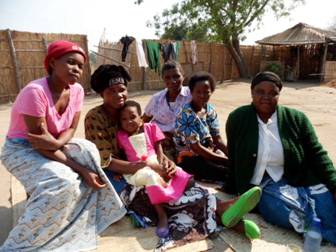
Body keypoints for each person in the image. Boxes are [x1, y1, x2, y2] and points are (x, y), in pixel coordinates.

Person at [85, 64, 262, 250]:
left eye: (122, 90)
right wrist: (146, 166)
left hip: (146, 163)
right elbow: (106, 161)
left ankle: (221, 209)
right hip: (120, 174)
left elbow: (151, 140)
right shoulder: (95, 117)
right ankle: (224, 213)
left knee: (179, 178)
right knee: (159, 191)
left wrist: (165, 161)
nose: (118, 95)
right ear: (101, 94)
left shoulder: (129, 112)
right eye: (111, 91)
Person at [0, 40, 125, 251]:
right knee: (63, 181)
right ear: (52, 62)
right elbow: (40, 144)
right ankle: (23, 243)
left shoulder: (76, 91)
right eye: (70, 62)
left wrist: (58, 142)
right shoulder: (35, 92)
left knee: (88, 151)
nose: (76, 69)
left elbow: (71, 128)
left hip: (55, 143)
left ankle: (71, 221)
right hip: (22, 148)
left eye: (80, 65)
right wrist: (82, 171)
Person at [225, 71, 336, 245]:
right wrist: (233, 184)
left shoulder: (297, 119)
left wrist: (334, 184)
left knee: (327, 207)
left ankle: (325, 230)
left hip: (297, 177)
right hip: (261, 184)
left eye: (273, 93)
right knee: (278, 208)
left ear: (279, 94)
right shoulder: (238, 118)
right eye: (260, 92)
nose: (266, 97)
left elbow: (317, 153)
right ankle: (315, 231)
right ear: (252, 92)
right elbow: (233, 153)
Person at [117, 100, 192, 237]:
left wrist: (163, 161)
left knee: (178, 172)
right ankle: (162, 215)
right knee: (150, 176)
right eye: (124, 119)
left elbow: (159, 149)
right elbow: (122, 156)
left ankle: (179, 196)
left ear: (141, 117)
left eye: (133, 117)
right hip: (137, 170)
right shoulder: (121, 136)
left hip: (154, 161)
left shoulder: (150, 127)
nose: (129, 122)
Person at [174, 71, 229, 185]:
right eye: (198, 92)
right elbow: (196, 148)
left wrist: (232, 156)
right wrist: (226, 161)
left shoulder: (210, 110)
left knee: (237, 167)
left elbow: (217, 139)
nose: (202, 95)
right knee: (228, 173)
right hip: (189, 158)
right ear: (191, 92)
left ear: (211, 92)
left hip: (207, 153)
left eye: (206, 92)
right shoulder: (186, 114)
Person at [143, 60, 191, 161]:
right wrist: (157, 135)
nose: (172, 81)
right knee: (167, 168)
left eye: (176, 76)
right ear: (163, 79)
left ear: (183, 76)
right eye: (167, 77)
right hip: (164, 143)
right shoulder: (156, 99)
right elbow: (144, 121)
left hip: (188, 142)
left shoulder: (191, 95)